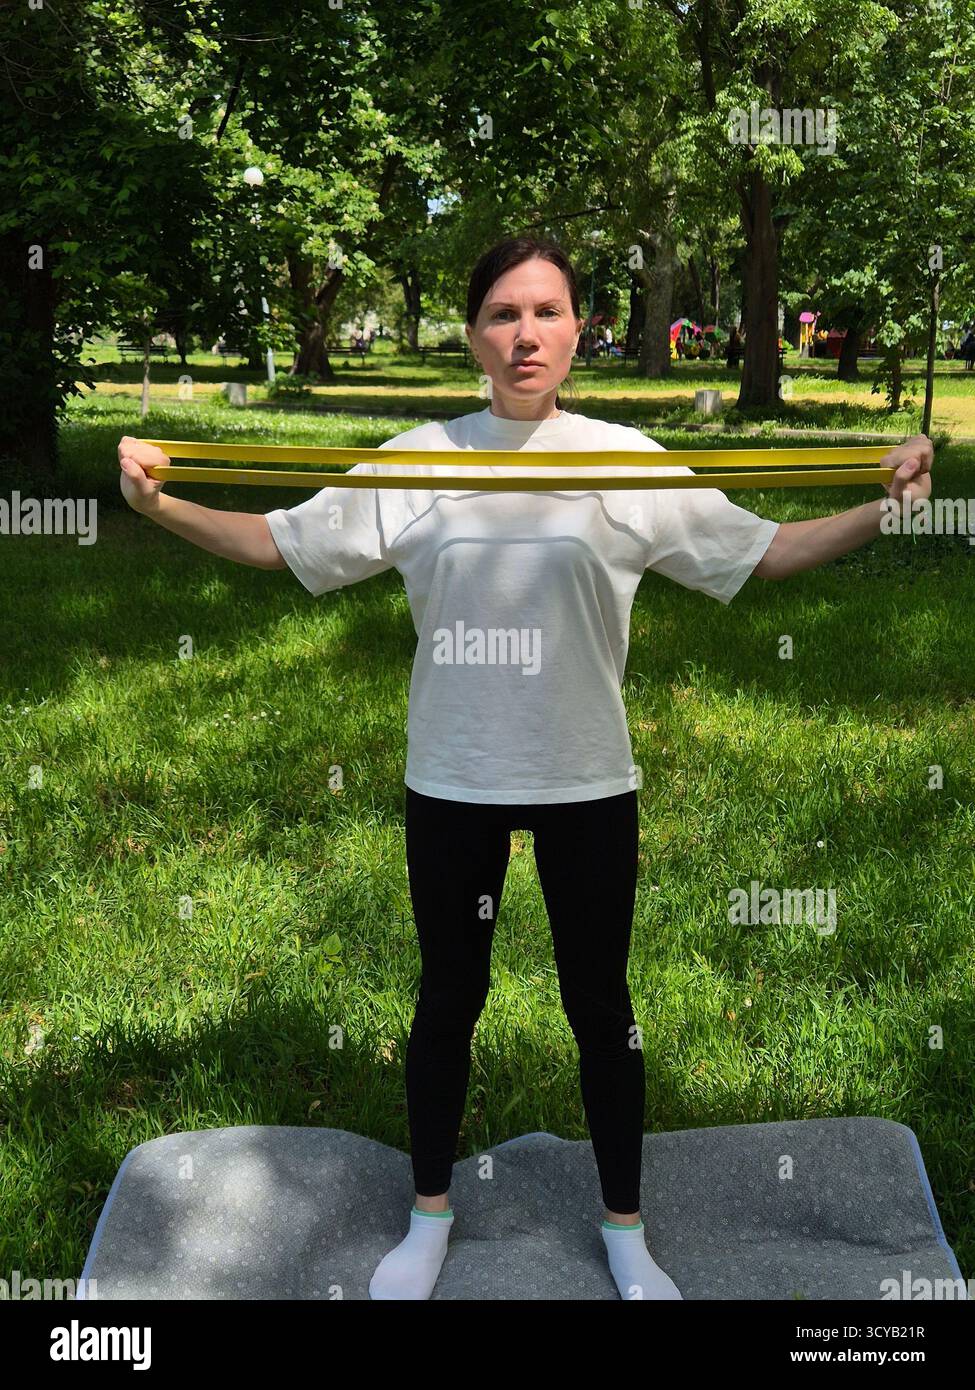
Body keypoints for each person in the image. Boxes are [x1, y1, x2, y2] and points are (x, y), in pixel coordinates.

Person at [117, 234, 934, 1302]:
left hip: (588, 779)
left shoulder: (620, 461)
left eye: (546, 311)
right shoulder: (423, 458)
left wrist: (890, 506)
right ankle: (427, 1217)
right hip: (453, 778)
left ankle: (627, 1230)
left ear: (578, 329)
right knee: (448, 999)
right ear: (473, 336)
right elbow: (280, 541)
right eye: (503, 314)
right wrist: (155, 505)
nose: (525, 333)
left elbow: (766, 549)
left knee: (603, 1006)